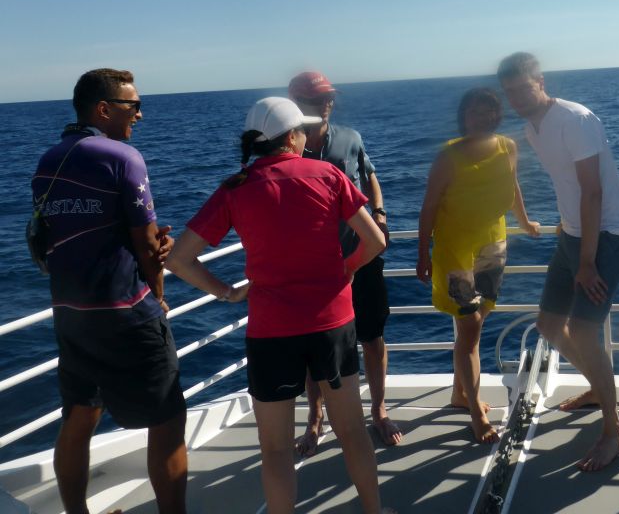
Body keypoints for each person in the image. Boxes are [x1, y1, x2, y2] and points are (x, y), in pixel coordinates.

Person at [165, 97, 392, 514]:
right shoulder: (327, 174)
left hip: (270, 332)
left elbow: (178, 259)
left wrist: (229, 293)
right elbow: (376, 241)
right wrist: (348, 269)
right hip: (332, 324)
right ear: (292, 137)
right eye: (302, 131)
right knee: (352, 433)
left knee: (274, 450)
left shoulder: (234, 188)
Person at [30, 68, 186, 514]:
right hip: (126, 313)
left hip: (71, 316)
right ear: (104, 109)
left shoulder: (48, 160)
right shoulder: (123, 157)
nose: (140, 113)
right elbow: (145, 243)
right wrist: (158, 293)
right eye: (132, 105)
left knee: (79, 417)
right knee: (169, 419)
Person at [497, 52, 619, 471]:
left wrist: (587, 261)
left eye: (523, 88)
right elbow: (568, 186)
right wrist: (564, 227)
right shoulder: (531, 127)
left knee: (581, 329)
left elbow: (592, 192)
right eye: (510, 93)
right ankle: (598, 388)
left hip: (607, 234)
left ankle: (614, 432)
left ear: (540, 81)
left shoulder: (575, 120)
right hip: (572, 232)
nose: (518, 98)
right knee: (549, 326)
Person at [416, 88, 540, 443]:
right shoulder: (448, 157)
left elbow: (512, 184)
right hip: (456, 251)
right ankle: (475, 413)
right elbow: (428, 207)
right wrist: (423, 253)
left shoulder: (507, 147)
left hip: (493, 244)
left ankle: (459, 393)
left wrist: (525, 222)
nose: (482, 118)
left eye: (488, 112)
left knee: (478, 318)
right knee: (469, 327)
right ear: (463, 116)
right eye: (475, 112)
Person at [287, 71, 401, 454]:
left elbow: (370, 175)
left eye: (328, 98)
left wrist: (380, 213)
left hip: (361, 258)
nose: (325, 106)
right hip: (314, 268)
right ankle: (315, 417)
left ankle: (379, 410)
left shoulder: (350, 139)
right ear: (295, 105)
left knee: (372, 336)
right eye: (315, 100)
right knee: (313, 348)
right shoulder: (286, 150)